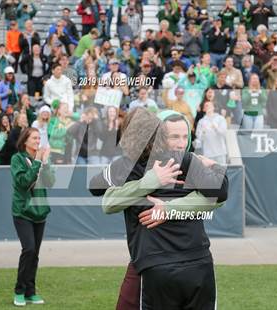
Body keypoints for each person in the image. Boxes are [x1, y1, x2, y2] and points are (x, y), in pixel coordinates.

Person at [89, 108, 228, 310]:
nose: (181, 142)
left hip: (169, 262)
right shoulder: (129, 166)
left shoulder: (188, 160)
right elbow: (105, 199)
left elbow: (219, 196)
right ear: (162, 134)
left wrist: (170, 208)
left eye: (184, 136)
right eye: (174, 136)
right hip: (169, 262)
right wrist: (151, 181)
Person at [10, 127, 54, 306]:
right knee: (28, 249)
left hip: (40, 212)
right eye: (34, 138)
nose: (38, 141)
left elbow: (50, 182)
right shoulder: (17, 159)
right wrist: (37, 162)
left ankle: (31, 291)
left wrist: (46, 162)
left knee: (34, 254)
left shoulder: (41, 159)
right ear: (25, 140)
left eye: (39, 138)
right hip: (23, 212)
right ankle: (19, 291)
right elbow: (23, 182)